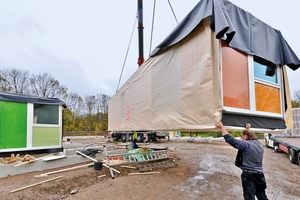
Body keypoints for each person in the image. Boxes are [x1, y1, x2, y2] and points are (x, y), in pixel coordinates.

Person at [216, 121, 268, 200]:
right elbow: (252, 136)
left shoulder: (246, 144)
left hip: (249, 175)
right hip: (260, 175)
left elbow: (231, 140)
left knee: (249, 198)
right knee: (262, 197)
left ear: (246, 136)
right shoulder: (259, 144)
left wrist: (222, 127)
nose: (241, 138)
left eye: (242, 136)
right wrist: (248, 129)